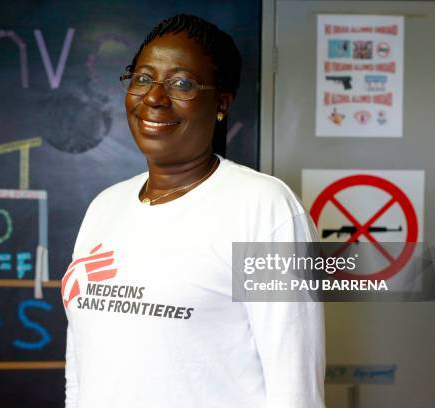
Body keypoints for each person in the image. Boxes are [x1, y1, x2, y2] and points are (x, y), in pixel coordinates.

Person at [61, 14, 325, 408]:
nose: (154, 97)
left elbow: (295, 390)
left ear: (221, 103)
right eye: (143, 78)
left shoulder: (264, 208)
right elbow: (81, 368)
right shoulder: (104, 207)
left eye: (182, 83)